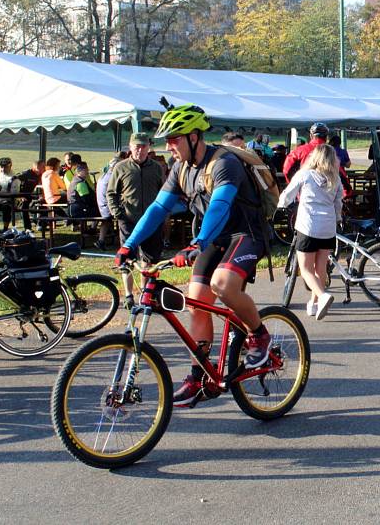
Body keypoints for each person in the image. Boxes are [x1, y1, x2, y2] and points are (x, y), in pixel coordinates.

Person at [114, 104, 271, 408]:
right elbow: (158, 208)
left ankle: (260, 336)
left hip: (246, 234)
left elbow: (220, 206)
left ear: (195, 136)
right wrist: (128, 244)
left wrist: (197, 242)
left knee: (223, 285)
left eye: (174, 139)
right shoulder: (180, 168)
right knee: (195, 300)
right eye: (167, 140)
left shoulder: (225, 163)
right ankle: (200, 378)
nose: (168, 146)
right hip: (213, 238)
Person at [277, 144, 343, 320]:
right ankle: (313, 304)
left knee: (305, 269)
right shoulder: (335, 179)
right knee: (320, 268)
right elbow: (338, 203)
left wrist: (279, 207)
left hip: (308, 225)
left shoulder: (304, 175)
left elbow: (287, 195)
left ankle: (322, 296)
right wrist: (338, 219)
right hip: (328, 228)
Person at [107, 132, 166, 307]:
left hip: (151, 221)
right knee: (127, 259)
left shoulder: (156, 168)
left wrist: (161, 213)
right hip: (128, 219)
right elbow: (111, 193)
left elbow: (163, 191)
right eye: (136, 146)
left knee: (148, 260)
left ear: (149, 148)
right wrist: (117, 213)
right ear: (130, 147)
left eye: (143, 146)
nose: (140, 150)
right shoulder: (121, 167)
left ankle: (144, 295)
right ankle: (128, 296)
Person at [96, 156, 121, 250]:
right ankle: (122, 240)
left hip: (102, 205)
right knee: (126, 216)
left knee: (106, 221)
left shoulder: (104, 175)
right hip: (107, 206)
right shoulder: (112, 177)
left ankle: (101, 240)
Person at [15, 159, 44, 230]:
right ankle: (27, 228)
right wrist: (20, 196)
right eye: (42, 166)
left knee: (43, 202)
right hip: (21, 195)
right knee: (24, 207)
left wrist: (41, 195)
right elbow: (15, 181)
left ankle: (41, 224)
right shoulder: (26, 174)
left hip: (29, 195)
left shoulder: (40, 175)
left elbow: (43, 185)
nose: (43, 168)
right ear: (35, 167)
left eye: (44, 166)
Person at [0, 157, 19, 231]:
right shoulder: (1, 174)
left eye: (5, 167)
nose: (2, 169)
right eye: (1, 166)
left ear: (10, 166)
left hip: (9, 201)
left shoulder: (14, 178)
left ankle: (5, 229)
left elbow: (13, 195)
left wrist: (1, 192)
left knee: (6, 207)